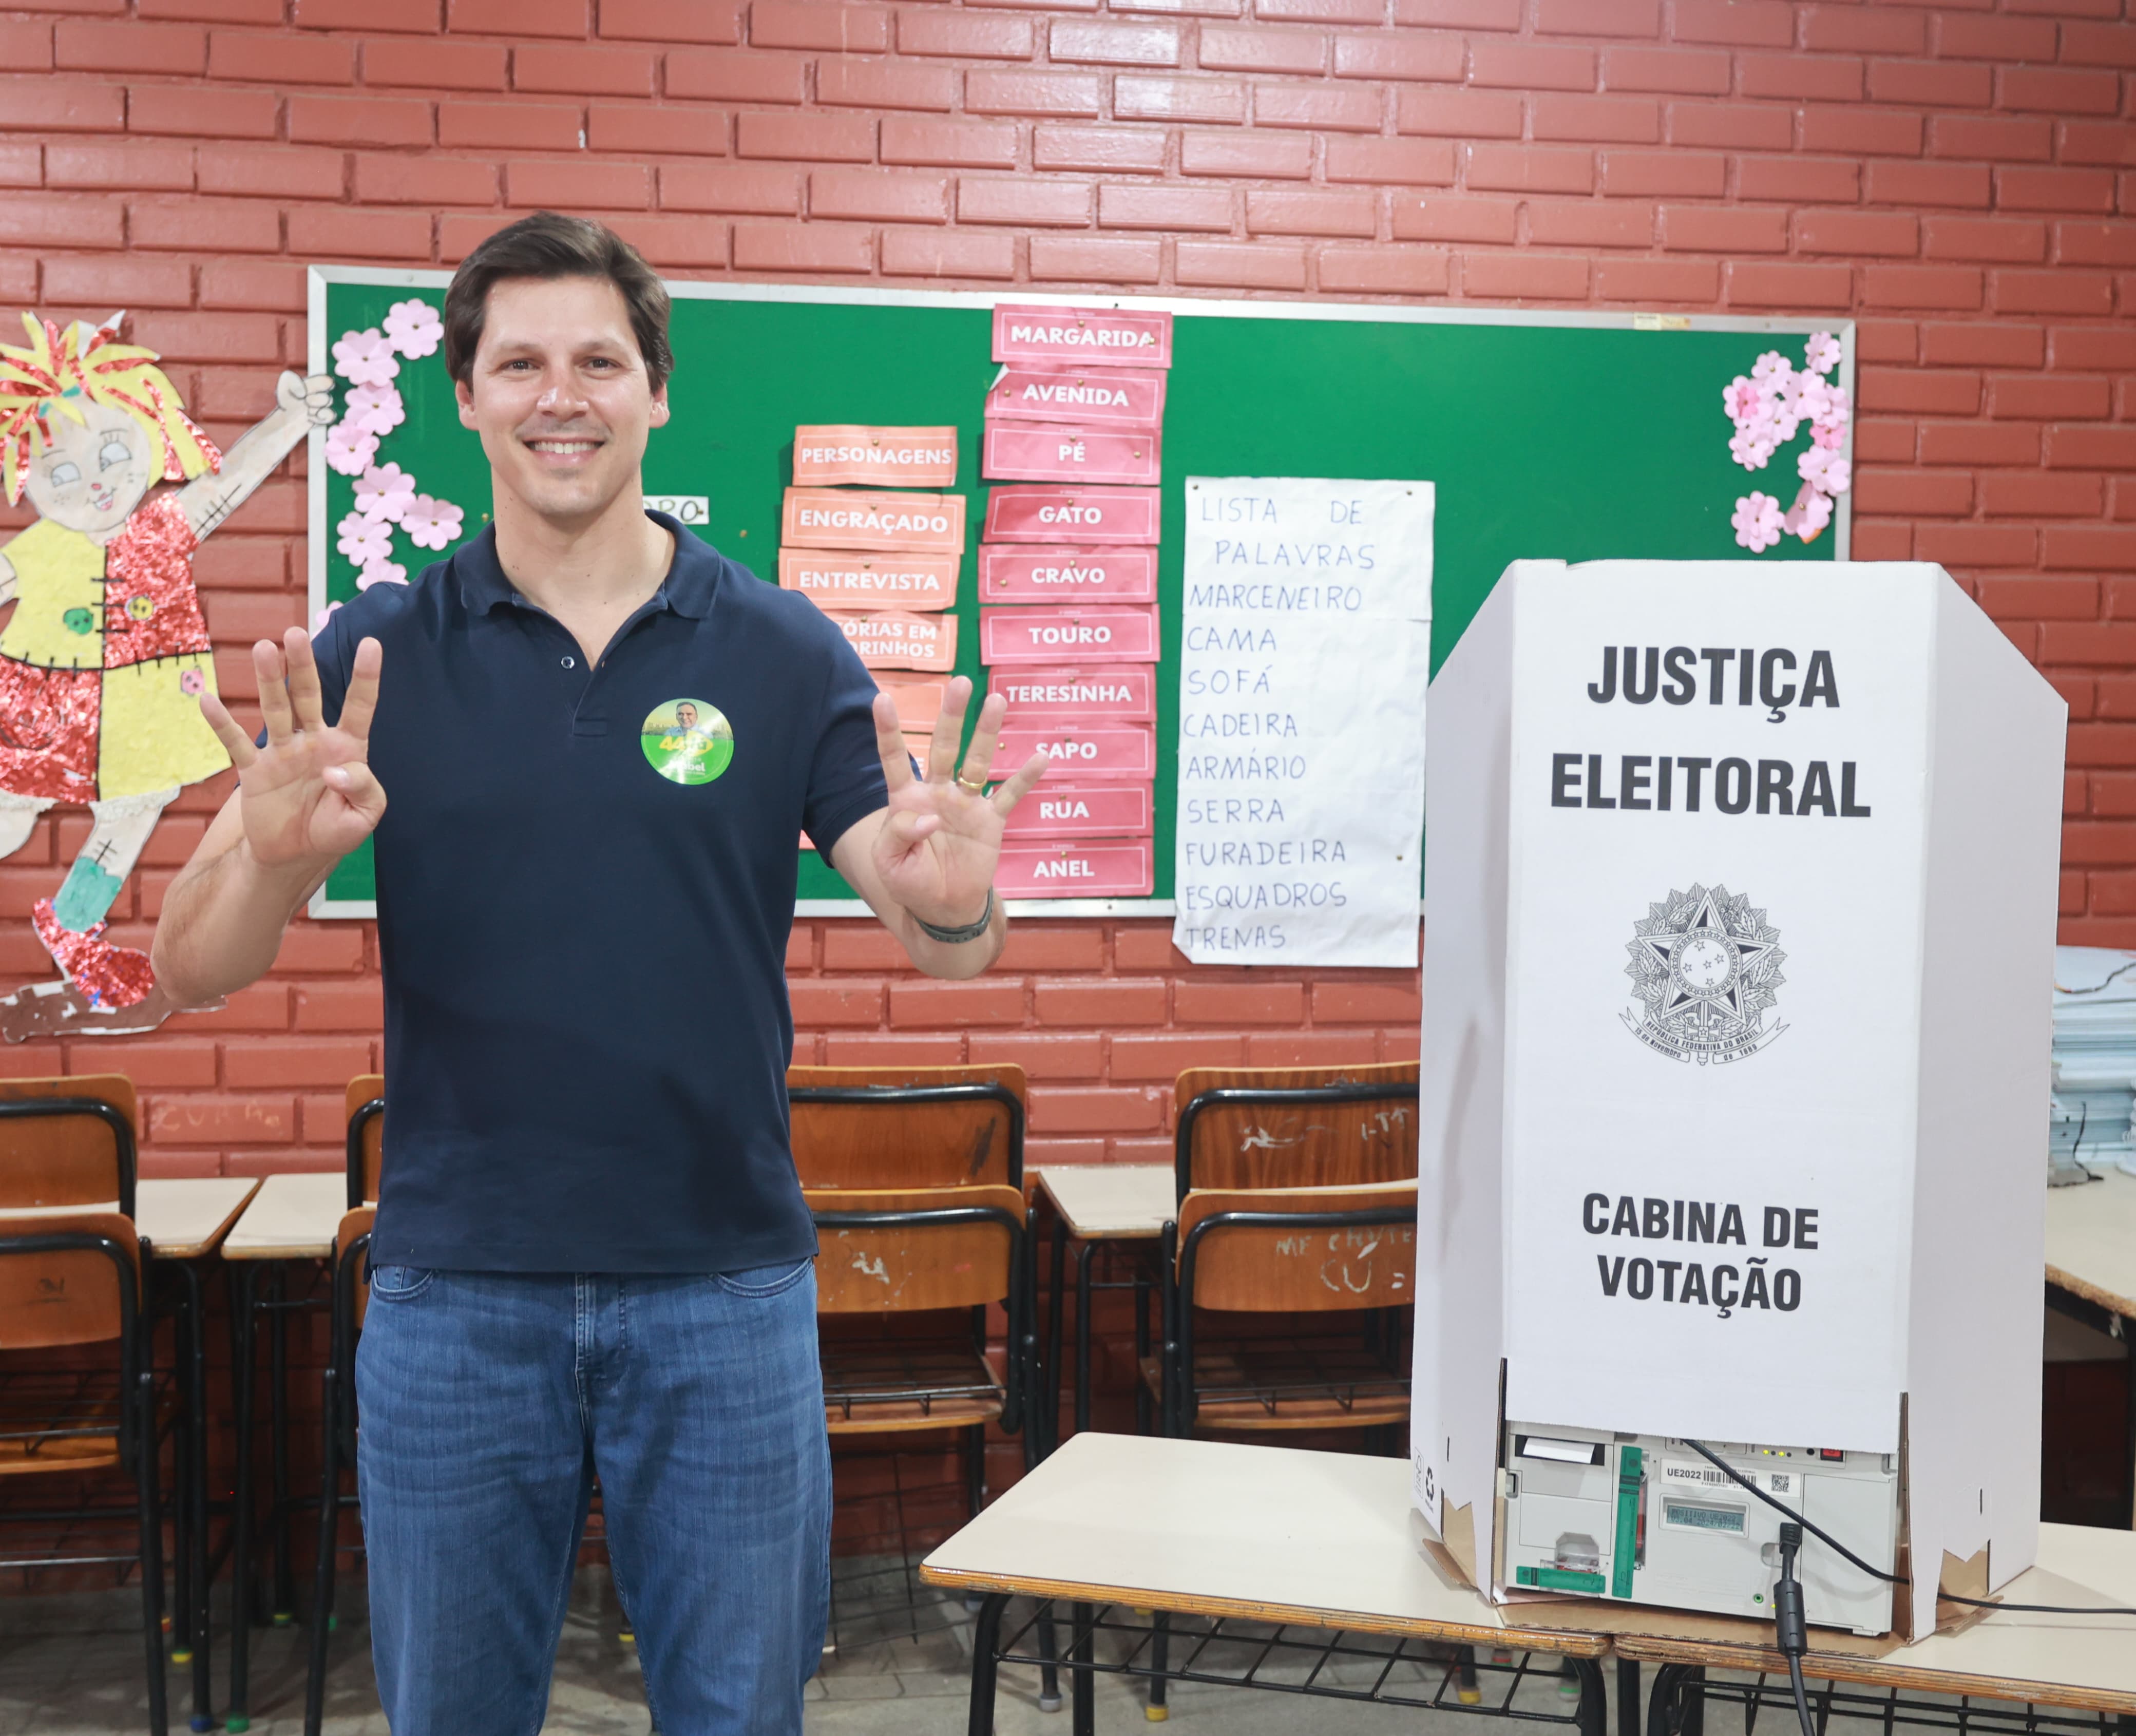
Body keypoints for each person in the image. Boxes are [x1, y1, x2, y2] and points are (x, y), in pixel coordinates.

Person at [150, 211, 1047, 1736]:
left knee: (740, 1714)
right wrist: (285, 853)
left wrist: (961, 902)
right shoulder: (381, 653)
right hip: (454, 1295)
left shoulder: (780, 649)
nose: (560, 394)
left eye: (598, 360)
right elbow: (189, 966)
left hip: (723, 1289)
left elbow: (941, 938)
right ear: (469, 396)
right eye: (520, 362)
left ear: (657, 391)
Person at [0, 313, 333, 1027]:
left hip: (145, 712)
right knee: (8, 820)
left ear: (153, 439)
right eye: (61, 471)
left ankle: (75, 925)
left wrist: (290, 420)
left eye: (113, 454)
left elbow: (234, 478)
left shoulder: (168, 524)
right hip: (44, 710)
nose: (93, 484)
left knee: (131, 816)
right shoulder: (34, 550)